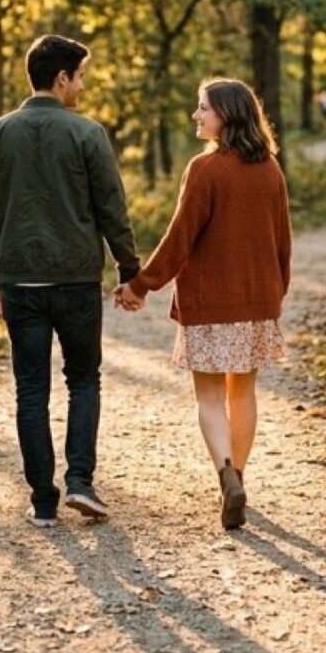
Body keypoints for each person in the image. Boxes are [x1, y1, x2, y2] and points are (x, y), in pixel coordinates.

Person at [0, 35, 140, 528]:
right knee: (83, 379)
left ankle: (43, 500)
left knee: (30, 389)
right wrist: (129, 268)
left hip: (20, 282)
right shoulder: (87, 134)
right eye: (80, 76)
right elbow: (111, 207)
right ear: (61, 77)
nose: (82, 86)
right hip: (75, 281)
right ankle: (81, 483)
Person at [116, 78, 291, 530]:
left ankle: (227, 476)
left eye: (203, 109)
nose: (197, 116)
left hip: (211, 303)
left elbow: (180, 238)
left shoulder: (205, 170)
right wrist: (274, 292)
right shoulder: (271, 169)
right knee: (244, 393)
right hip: (257, 302)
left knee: (210, 397)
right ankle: (240, 479)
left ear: (226, 115)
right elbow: (282, 243)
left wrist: (141, 284)